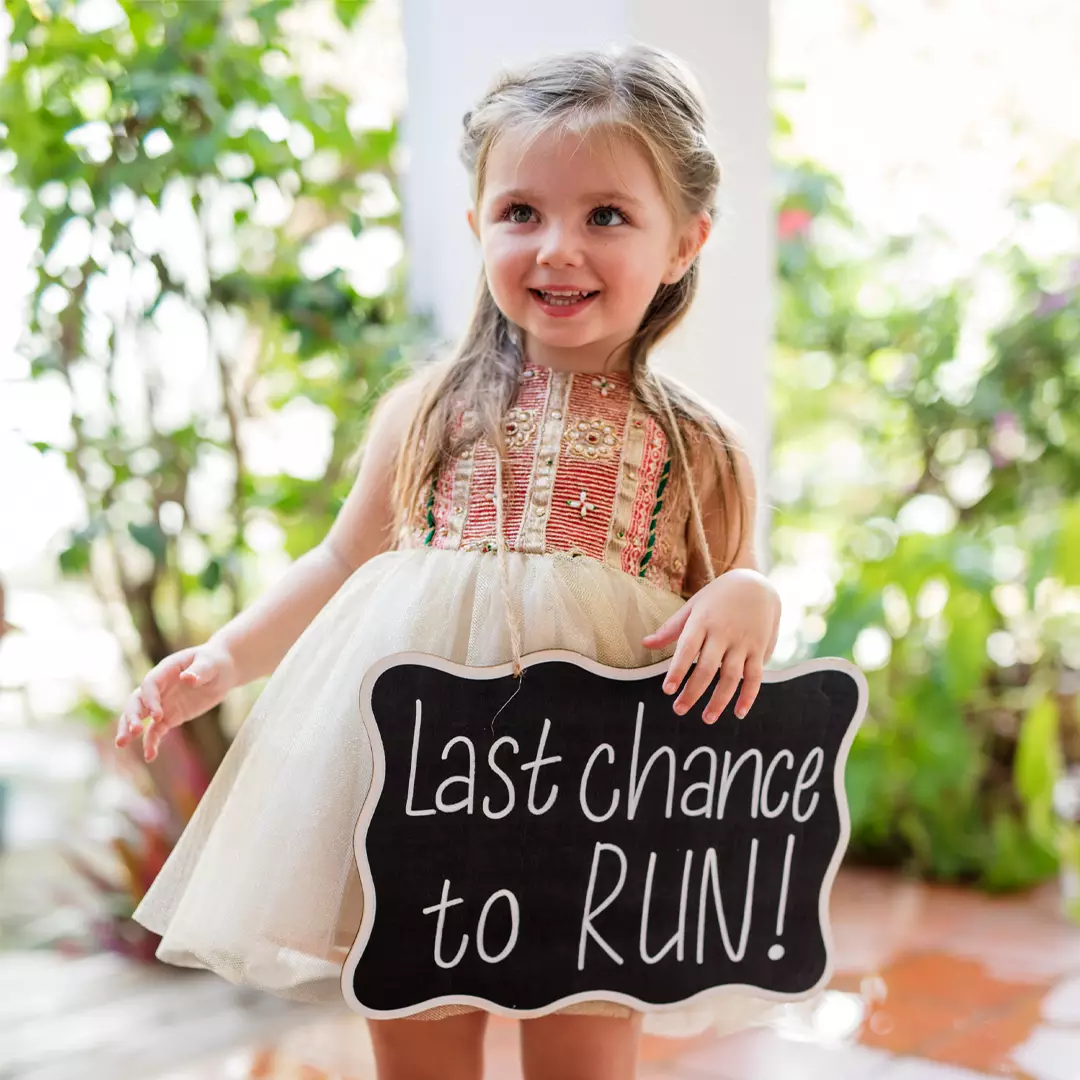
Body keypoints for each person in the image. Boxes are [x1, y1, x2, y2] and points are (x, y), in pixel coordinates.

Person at [115, 43, 782, 1080]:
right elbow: (341, 561)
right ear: (478, 225)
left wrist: (751, 595)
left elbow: (728, 605)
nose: (558, 248)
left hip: (595, 812)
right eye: (521, 212)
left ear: (684, 241)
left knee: (585, 1048)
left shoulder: (698, 447)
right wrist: (226, 658)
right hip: (424, 789)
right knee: (419, 1032)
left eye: (607, 215)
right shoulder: (430, 410)